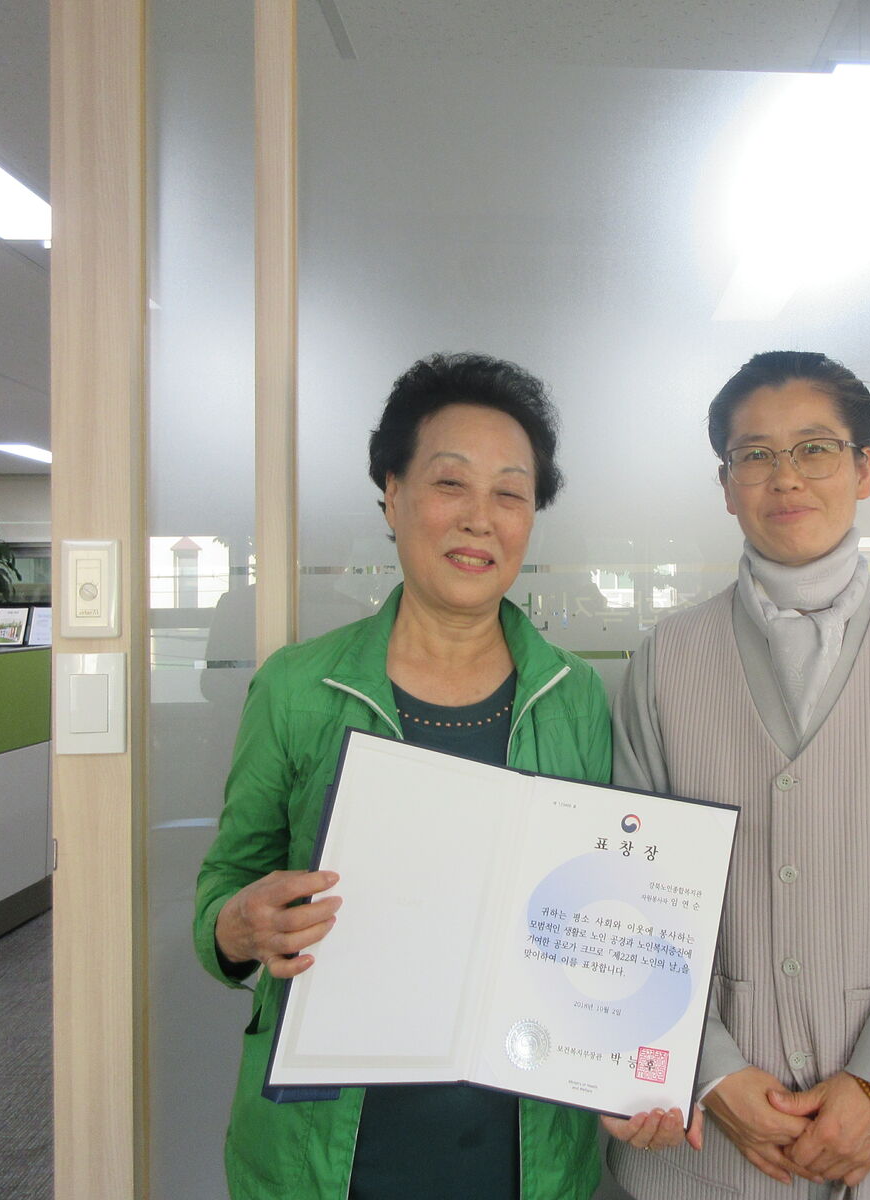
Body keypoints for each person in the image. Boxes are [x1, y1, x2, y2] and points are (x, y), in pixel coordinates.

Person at [193, 352, 684, 1200]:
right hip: (328, 1152)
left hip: (522, 1150)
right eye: (450, 483)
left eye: (511, 494)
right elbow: (221, 900)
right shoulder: (298, 688)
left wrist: (626, 1066)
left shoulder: (576, 697)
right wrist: (241, 926)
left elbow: (606, 915)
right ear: (392, 494)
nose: (480, 519)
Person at [607, 351, 870, 1199]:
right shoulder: (665, 661)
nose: (786, 477)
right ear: (726, 486)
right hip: (712, 1147)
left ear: (864, 468)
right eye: (754, 455)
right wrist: (710, 1071)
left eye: (815, 449)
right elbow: (626, 892)